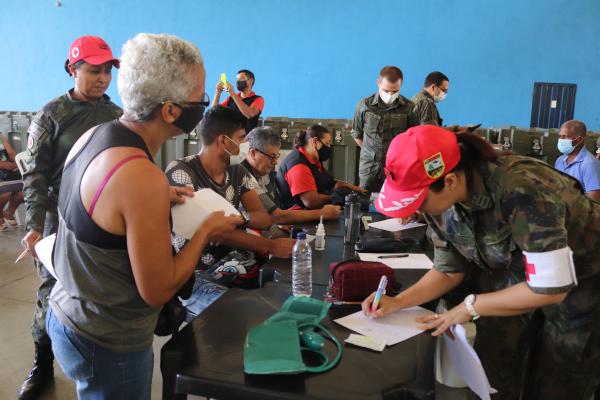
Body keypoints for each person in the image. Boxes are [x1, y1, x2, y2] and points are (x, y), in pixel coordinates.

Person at [45, 33, 242, 399]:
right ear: (170, 111)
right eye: (200, 98)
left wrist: (158, 198)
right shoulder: (140, 175)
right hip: (107, 340)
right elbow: (158, 290)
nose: (204, 106)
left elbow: (96, 205)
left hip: (67, 312)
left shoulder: (94, 135)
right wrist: (205, 229)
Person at [362, 125, 600, 399]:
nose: (415, 210)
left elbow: (551, 288)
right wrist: (399, 301)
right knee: (495, 362)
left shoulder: (521, 187)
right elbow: (448, 271)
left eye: (418, 201)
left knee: (560, 377)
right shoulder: (440, 201)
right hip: (519, 275)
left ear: (449, 181)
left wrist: (470, 306)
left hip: (586, 281)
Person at [18, 35, 123, 400]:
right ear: (72, 68)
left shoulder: (115, 115)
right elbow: (34, 175)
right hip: (57, 219)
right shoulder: (51, 115)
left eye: (108, 71)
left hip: (100, 219)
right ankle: (41, 365)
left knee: (98, 288)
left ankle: (95, 362)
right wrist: (33, 227)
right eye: (95, 70)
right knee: (50, 290)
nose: (103, 79)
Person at [166, 106, 296, 319]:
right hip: (196, 274)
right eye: (242, 138)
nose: (246, 145)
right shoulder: (182, 173)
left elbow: (263, 218)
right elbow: (216, 233)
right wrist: (271, 245)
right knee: (242, 316)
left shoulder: (236, 170)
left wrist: (239, 218)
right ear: (223, 141)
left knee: (282, 300)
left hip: (236, 260)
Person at [242, 126, 341, 225]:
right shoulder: (244, 175)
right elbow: (276, 216)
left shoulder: (263, 171)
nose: (276, 162)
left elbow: (274, 214)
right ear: (253, 153)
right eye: (272, 157)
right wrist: (323, 213)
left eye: (277, 156)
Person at [351, 65, 419, 192]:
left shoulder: (410, 108)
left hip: (397, 168)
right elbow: (357, 135)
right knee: (365, 202)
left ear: (401, 85)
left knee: (395, 204)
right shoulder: (365, 105)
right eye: (386, 90)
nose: (390, 95)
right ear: (378, 83)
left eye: (395, 91)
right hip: (370, 168)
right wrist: (372, 153)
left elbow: (413, 139)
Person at [277, 125, 365, 210]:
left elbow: (329, 184)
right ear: (315, 141)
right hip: (301, 215)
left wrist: (349, 186)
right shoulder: (298, 166)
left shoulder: (314, 160)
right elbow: (311, 202)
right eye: (327, 143)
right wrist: (336, 197)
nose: (329, 147)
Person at [554, 120, 600, 201]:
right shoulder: (560, 161)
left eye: (565, 136)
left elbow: (594, 199)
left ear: (579, 140)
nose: (560, 140)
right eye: (559, 136)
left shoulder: (589, 164)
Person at [0, 132, 23, 231]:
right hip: (4, 169)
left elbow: (12, 154)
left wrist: (14, 163)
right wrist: (7, 165)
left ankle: (9, 213)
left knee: (22, 193)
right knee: (5, 194)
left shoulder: (1, 135)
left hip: (7, 171)